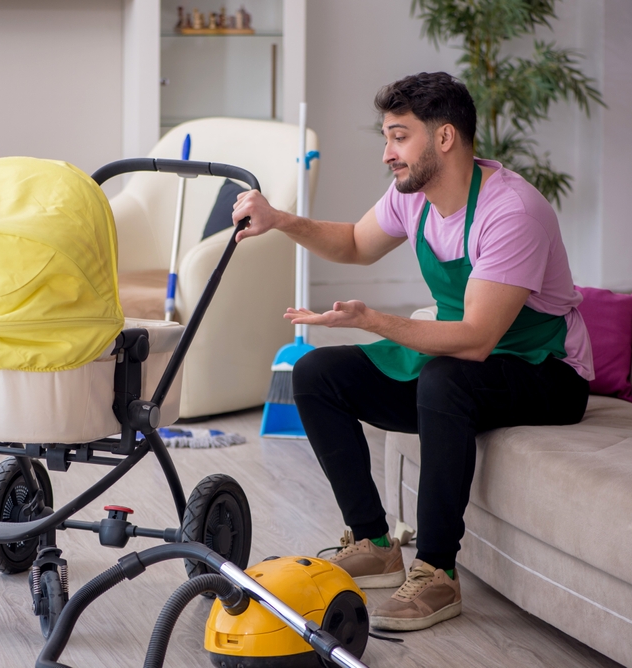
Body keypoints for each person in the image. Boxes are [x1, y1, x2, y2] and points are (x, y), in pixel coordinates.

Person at [231, 71, 592, 632]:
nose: (387, 154)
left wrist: (374, 319)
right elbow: (353, 243)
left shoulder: (510, 211)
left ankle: (437, 573)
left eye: (399, 137)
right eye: (387, 138)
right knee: (317, 371)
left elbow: (475, 338)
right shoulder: (416, 198)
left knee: (444, 379)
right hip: (469, 360)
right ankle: (374, 542)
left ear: (444, 138)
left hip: (546, 372)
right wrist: (280, 220)